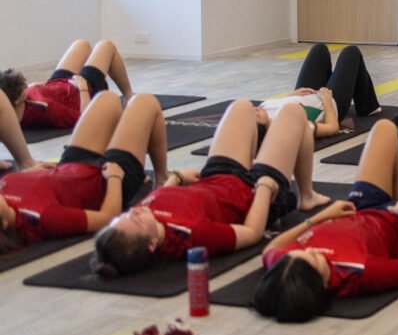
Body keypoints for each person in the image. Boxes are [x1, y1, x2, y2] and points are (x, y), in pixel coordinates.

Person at [252, 118, 398, 322]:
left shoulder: (290, 266)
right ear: (325, 282)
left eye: (303, 251)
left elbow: (271, 249)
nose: (310, 250)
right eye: (315, 259)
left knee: (383, 128)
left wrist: (321, 217)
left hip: (359, 210)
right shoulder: (358, 272)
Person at [91, 100, 329, 276]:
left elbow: (158, 197)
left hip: (216, 178)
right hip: (256, 193)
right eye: (137, 220)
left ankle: (268, 144)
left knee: (242, 108)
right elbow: (252, 233)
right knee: (293, 113)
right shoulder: (193, 236)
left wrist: (176, 178)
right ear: (152, 244)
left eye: (127, 214)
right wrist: (265, 189)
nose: (136, 211)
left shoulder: (145, 216)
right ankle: (306, 196)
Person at [0, 91, 167, 250]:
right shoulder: (44, 218)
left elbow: (29, 190)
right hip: (106, 181)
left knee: (107, 99)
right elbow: (106, 218)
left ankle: (124, 143)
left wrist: (30, 173)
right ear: (4, 223)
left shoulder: (3, 194)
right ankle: (161, 180)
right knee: (145, 102)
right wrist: (115, 178)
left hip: (71, 165)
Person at [0, 39, 134, 129]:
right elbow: (84, 119)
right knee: (106, 46)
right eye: (22, 87)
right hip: (79, 92)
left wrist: (36, 87)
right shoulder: (47, 109)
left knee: (81, 44)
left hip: (57, 85)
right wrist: (83, 88)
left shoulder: (11, 106)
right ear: (17, 100)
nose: (25, 86)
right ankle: (129, 96)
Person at [258, 42, 381, 139]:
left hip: (303, 94)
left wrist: (290, 95)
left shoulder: (262, 108)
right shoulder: (288, 126)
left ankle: (368, 103)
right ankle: (368, 107)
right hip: (330, 104)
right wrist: (327, 100)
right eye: (254, 116)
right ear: (261, 126)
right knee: (351, 53)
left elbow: (281, 104)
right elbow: (332, 128)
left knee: (319, 49)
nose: (253, 111)